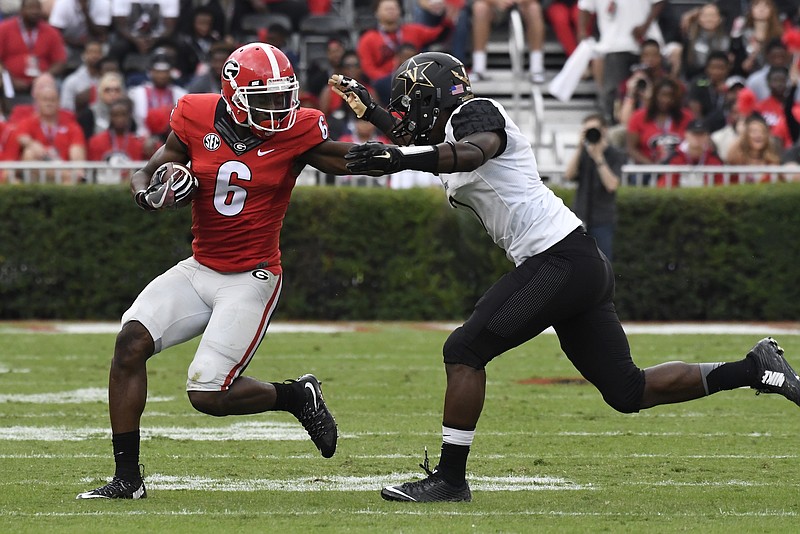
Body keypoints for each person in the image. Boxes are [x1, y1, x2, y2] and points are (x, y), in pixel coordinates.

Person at [328, 50, 800, 503]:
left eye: (411, 102)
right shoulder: (453, 123)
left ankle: (450, 480)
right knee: (627, 391)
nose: (406, 115)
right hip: (574, 260)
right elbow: (420, 144)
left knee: (464, 350)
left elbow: (471, 152)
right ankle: (755, 368)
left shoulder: (476, 112)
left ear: (436, 96)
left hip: (559, 260)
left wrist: (400, 157)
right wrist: (373, 113)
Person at [75, 42, 364, 500]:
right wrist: (151, 192)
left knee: (207, 395)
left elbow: (347, 160)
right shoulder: (193, 112)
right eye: (264, 98)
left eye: (283, 95)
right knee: (129, 343)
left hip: (252, 276)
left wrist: (406, 153)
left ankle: (295, 397)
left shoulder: (299, 128)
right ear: (232, 94)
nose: (278, 109)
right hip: (201, 266)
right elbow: (145, 172)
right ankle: (127, 479)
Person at [577, 0, 665, 124]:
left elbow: (659, 2)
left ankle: (656, 123)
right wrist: (582, 32)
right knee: (616, 91)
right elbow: (584, 7)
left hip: (646, 42)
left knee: (655, 88)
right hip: (614, 45)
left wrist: (645, 26)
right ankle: (612, 123)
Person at [563, 113, 622, 261]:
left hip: (602, 219)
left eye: (595, 130)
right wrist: (579, 148)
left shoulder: (614, 154)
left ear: (605, 130)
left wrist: (598, 158)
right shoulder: (583, 153)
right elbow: (569, 175)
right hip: (580, 217)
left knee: (602, 263)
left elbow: (612, 185)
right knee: (578, 263)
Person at [0, 0, 67, 104]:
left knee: (58, 85)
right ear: (21, 10)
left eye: (37, 8)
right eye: (30, 8)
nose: (34, 12)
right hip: (10, 81)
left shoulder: (51, 32)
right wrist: (11, 79)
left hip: (42, 83)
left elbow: (60, 61)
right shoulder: (4, 28)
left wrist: (43, 78)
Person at [470, 0, 546, 83]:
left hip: (525, 5)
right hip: (494, 6)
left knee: (534, 8)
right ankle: (478, 69)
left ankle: (536, 68)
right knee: (480, 8)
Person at [659, 118, 725, 187]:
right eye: (694, 134)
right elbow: (665, 185)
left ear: (707, 136)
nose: (697, 138)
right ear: (686, 134)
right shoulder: (675, 158)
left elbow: (720, 186)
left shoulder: (714, 159)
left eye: (701, 134)